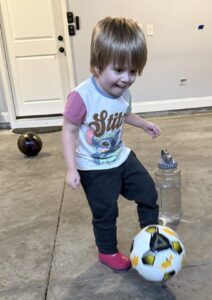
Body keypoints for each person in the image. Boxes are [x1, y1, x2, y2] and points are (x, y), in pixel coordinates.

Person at [62, 17, 161, 272]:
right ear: (96, 65)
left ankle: (151, 236)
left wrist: (143, 124)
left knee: (148, 192)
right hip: (93, 167)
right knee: (106, 213)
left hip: (121, 156)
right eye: (118, 70)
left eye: (133, 72)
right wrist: (72, 168)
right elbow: (69, 129)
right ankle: (107, 252)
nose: (126, 79)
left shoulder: (123, 92)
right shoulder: (82, 97)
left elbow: (124, 114)